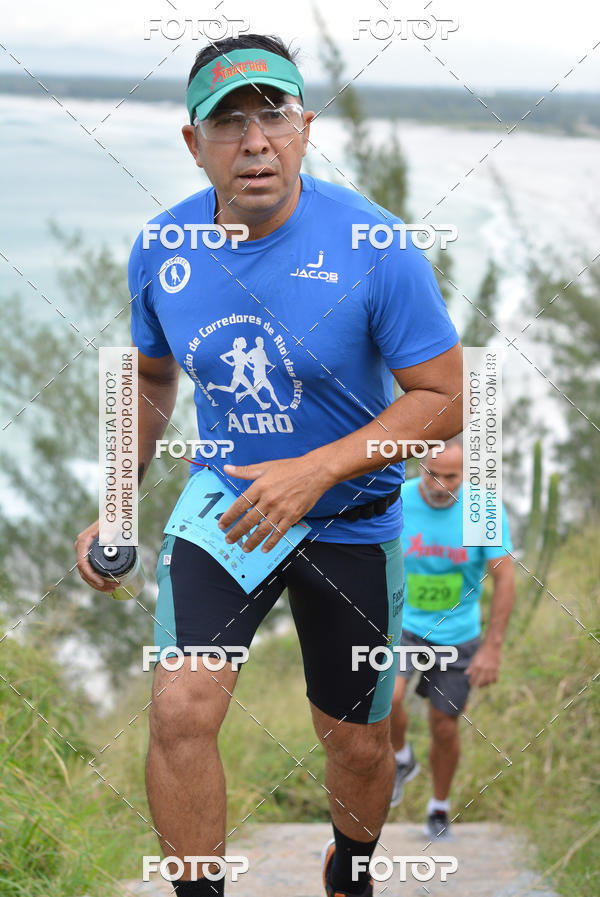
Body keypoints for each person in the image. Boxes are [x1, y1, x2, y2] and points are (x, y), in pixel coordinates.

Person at [75, 33, 463, 897]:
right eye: (229, 122)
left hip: (353, 519)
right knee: (180, 709)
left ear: (305, 127)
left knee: (358, 741)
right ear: (193, 144)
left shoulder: (376, 243)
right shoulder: (161, 248)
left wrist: (317, 470)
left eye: (274, 116)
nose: (256, 141)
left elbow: (445, 397)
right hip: (228, 508)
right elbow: (146, 374)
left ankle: (350, 871)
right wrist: (116, 504)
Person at [389, 435, 515, 840]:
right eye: (431, 474)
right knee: (388, 699)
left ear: (466, 476)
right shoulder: (397, 498)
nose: (439, 485)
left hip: (458, 635)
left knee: (444, 725)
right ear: (418, 468)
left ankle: (439, 807)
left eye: (450, 477)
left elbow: (505, 578)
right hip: (405, 627)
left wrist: (492, 648)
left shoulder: (482, 510)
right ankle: (401, 757)